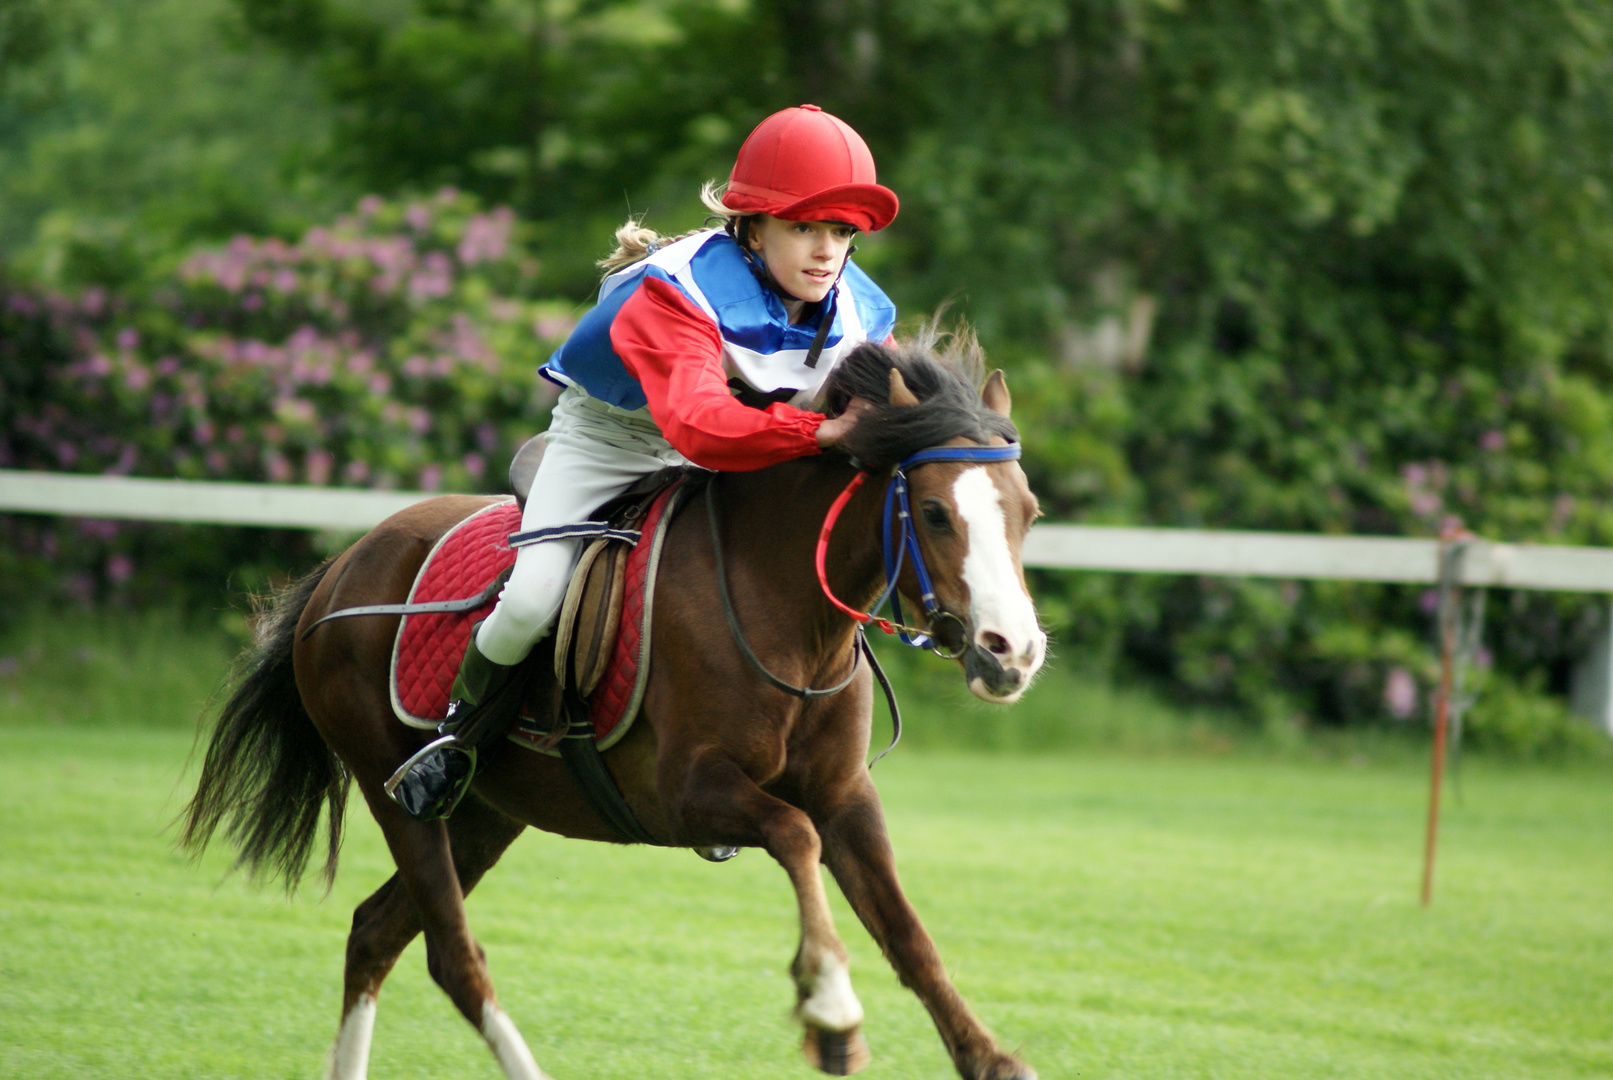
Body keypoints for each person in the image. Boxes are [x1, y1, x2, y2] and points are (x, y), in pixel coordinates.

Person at [388, 104, 901, 820]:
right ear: (750, 228)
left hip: (741, 451)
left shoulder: (861, 309)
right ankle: (454, 737)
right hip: (608, 444)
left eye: (842, 231)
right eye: (803, 227)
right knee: (534, 596)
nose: (825, 251)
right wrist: (816, 435)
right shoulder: (676, 289)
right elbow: (696, 424)